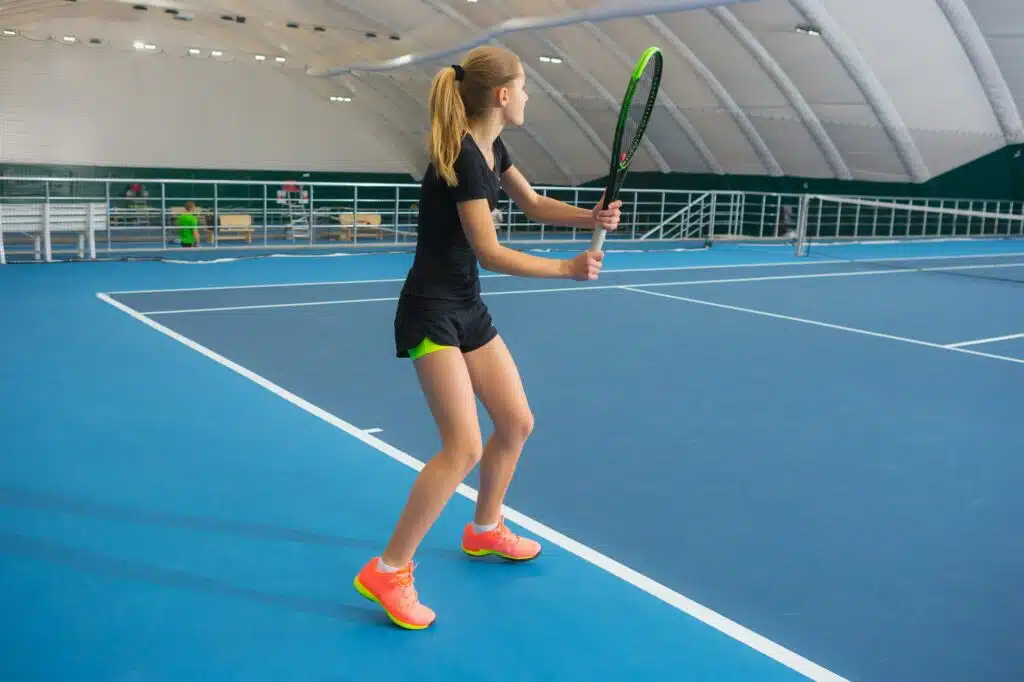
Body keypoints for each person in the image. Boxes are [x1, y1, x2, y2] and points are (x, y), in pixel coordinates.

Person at [353, 45, 622, 630]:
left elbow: (529, 202)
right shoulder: (462, 160)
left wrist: (589, 216)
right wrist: (566, 269)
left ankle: (484, 529)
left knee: (516, 421)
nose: (527, 97)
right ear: (502, 95)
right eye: (523, 88)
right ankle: (390, 568)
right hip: (431, 314)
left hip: (467, 308)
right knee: (463, 448)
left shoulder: (491, 148)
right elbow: (490, 250)